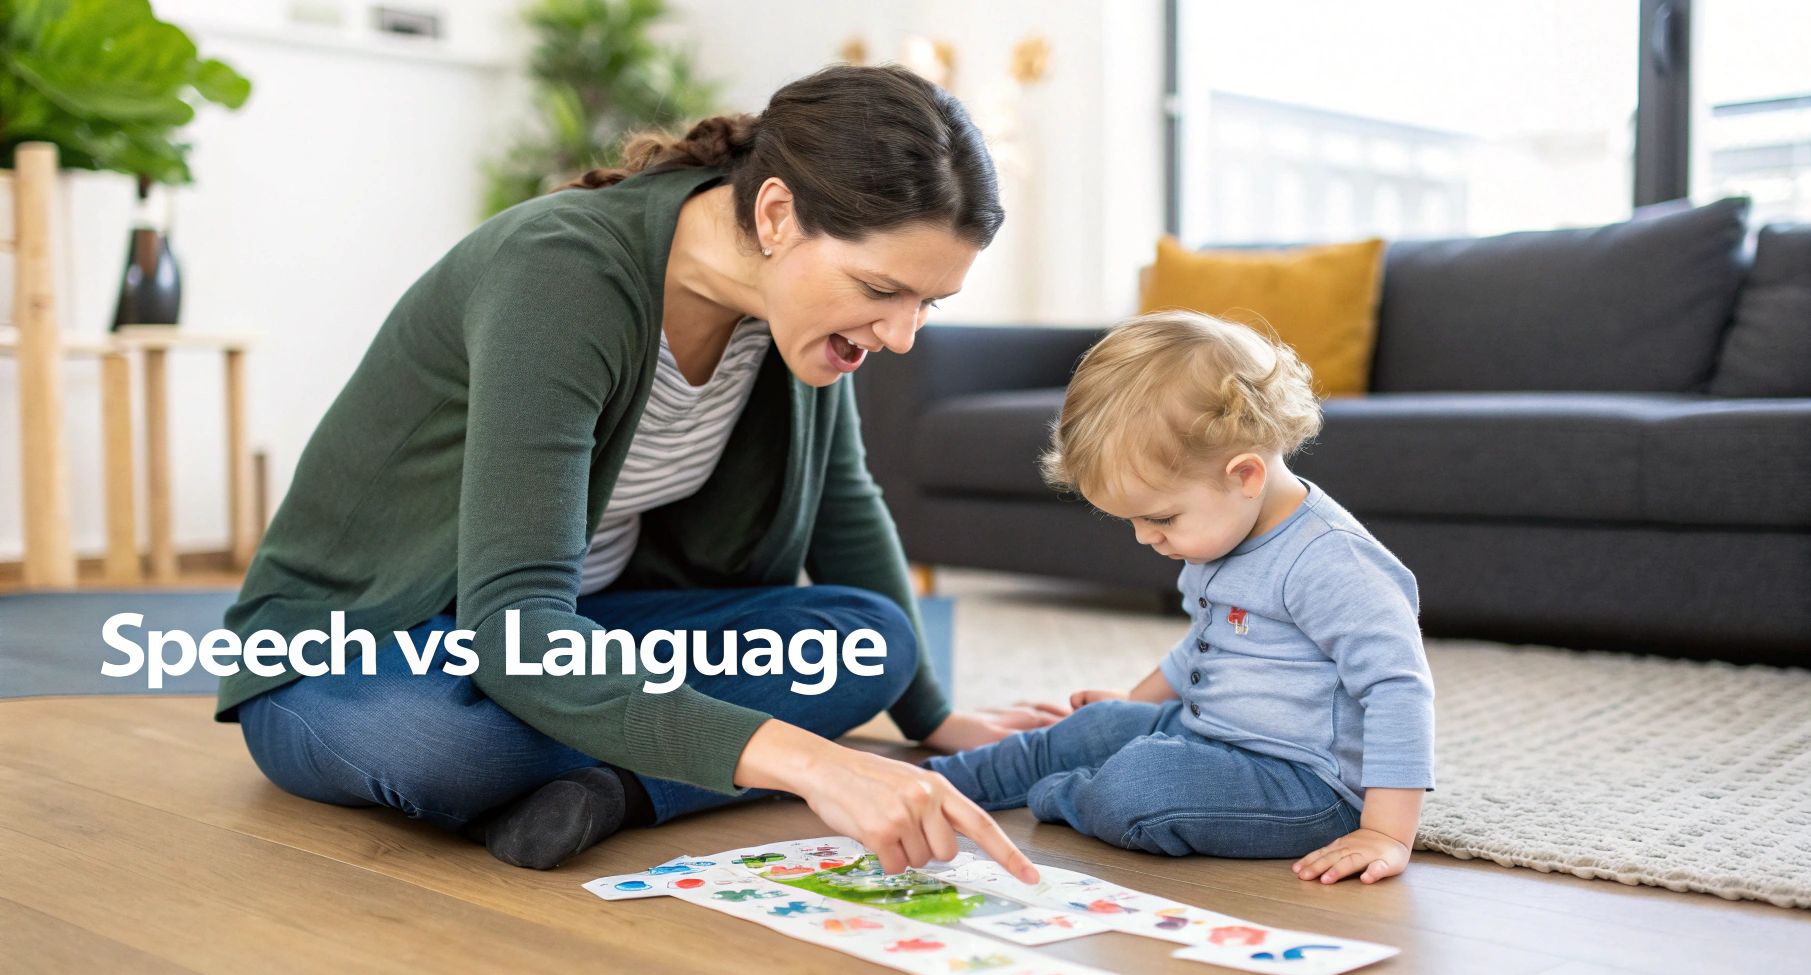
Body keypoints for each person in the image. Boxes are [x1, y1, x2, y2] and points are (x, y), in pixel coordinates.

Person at [216, 64, 1054, 879]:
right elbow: (514, 634)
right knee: (447, 745)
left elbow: (844, 504)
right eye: (881, 288)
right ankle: (645, 758)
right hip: (372, 646)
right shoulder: (561, 273)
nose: (902, 335)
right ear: (775, 215)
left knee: (878, 642)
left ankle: (609, 790)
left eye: (926, 304)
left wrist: (933, 717)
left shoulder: (790, 318)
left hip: (587, 627)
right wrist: (812, 762)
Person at [922, 310, 1436, 885]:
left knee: (1141, 785)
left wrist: (1384, 830)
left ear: (1245, 475)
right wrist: (1135, 706)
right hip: (1209, 731)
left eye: (1160, 517)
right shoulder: (1219, 534)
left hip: (1307, 785)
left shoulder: (1333, 563)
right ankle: (934, 782)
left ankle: (1066, 795)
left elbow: (1398, 688)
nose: (1145, 537)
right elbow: (1204, 643)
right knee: (1093, 727)